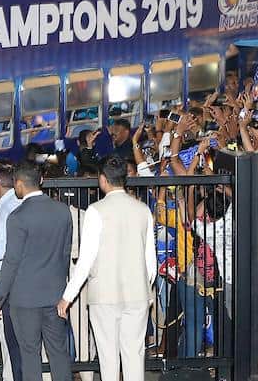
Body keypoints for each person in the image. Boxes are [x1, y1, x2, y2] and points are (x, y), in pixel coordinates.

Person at [60, 156, 156, 381]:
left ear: (103, 180)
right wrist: (143, 286)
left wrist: (67, 297)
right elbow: (150, 262)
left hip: (104, 295)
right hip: (137, 294)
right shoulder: (142, 210)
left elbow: (86, 260)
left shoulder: (95, 211)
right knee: (134, 356)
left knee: (108, 358)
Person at [0, 161, 74, 381]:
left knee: (30, 355)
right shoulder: (63, 211)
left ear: (18, 184)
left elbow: (11, 261)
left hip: (24, 300)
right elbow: (65, 255)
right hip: (55, 295)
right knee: (58, 353)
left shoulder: (17, 217)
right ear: (42, 181)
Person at [0, 161, 23, 381]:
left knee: (9, 341)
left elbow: (1, 251)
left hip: (6, 281)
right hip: (20, 281)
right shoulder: (16, 204)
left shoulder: (6, 209)